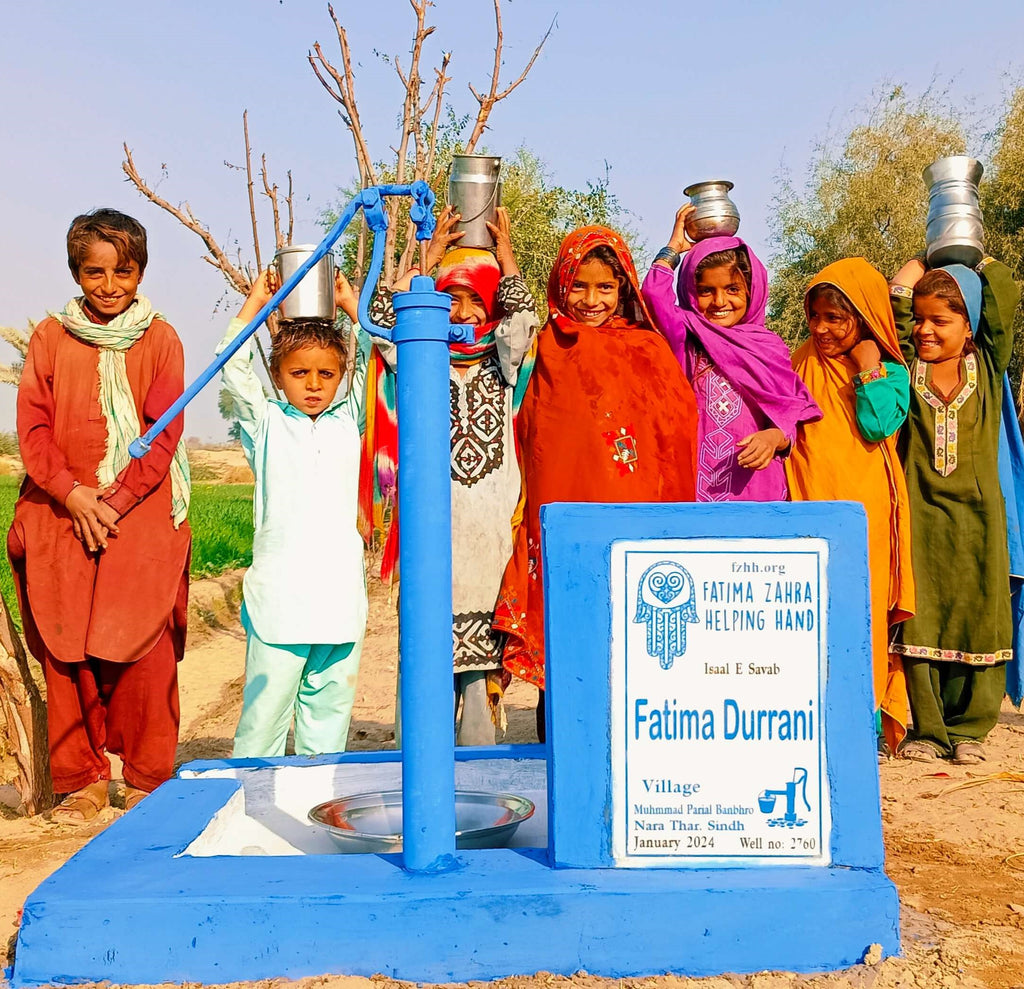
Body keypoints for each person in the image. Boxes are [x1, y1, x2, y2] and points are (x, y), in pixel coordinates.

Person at [8, 208, 191, 821]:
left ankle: (146, 777)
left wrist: (110, 502)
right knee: (67, 647)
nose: (110, 285)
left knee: (143, 645)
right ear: (76, 272)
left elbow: (163, 436)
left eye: (124, 271)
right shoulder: (49, 339)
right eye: (95, 272)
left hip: (137, 511)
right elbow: (32, 427)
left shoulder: (161, 339)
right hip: (61, 511)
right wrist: (72, 493)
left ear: (141, 271)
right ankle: (81, 779)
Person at [493, 225, 699, 739]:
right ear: (562, 283)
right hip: (562, 522)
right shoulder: (546, 348)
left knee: (629, 657)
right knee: (564, 649)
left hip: (634, 525)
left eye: (605, 287)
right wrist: (507, 264)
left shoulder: (648, 350)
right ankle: (557, 759)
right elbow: (538, 435)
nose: (590, 299)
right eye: (579, 285)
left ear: (624, 287)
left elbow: (672, 434)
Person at [362, 206, 539, 745]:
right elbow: (380, 318)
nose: (460, 310)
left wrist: (507, 263)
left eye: (473, 299)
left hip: (490, 547)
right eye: (448, 296)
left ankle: (480, 794)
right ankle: (422, 795)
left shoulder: (504, 365)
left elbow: (521, 326)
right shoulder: (420, 358)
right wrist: (426, 258)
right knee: (427, 671)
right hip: (434, 542)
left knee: (483, 681)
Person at [222, 269, 367, 758]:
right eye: (298, 373)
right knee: (264, 716)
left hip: (340, 600)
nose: (313, 385)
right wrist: (255, 304)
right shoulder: (265, 424)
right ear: (279, 376)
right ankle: (247, 804)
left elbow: (377, 366)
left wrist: (352, 307)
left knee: (327, 719)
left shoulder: (350, 420)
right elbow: (234, 370)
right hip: (280, 601)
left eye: (326, 374)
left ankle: (313, 808)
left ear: (340, 377)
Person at [888, 255, 1020, 764]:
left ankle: (970, 731)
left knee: (977, 615)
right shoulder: (907, 370)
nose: (925, 330)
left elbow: (1003, 307)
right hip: (921, 514)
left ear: (969, 327)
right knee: (924, 618)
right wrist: (914, 268)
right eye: (921, 319)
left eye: (940, 321)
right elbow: (896, 320)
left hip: (980, 521)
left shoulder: (985, 367)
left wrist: (975, 256)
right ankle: (930, 730)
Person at [786, 258, 915, 755]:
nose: (821, 328)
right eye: (815, 316)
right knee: (809, 611)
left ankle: (859, 726)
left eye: (835, 319)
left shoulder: (889, 372)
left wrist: (865, 367)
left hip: (863, 511)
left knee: (859, 612)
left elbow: (879, 425)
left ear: (864, 318)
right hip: (806, 503)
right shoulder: (799, 361)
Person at [642, 204, 820, 502]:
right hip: (692, 486)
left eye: (732, 289)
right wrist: (672, 249)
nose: (719, 301)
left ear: (753, 290)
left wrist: (773, 438)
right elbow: (653, 296)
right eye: (706, 291)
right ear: (689, 291)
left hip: (756, 488)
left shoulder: (769, 348)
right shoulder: (687, 337)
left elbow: (790, 414)